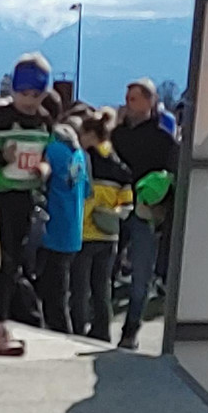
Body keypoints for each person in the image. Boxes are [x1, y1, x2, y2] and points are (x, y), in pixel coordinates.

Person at [0, 53, 54, 343]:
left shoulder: (44, 120)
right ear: (14, 89)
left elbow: (46, 155)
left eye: (36, 95)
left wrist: (44, 170)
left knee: (13, 259)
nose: (29, 100)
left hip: (23, 196)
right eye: (23, 93)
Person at [111, 78, 179, 349]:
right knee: (105, 268)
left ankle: (131, 330)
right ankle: (101, 324)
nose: (128, 104)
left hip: (144, 211)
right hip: (115, 207)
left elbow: (173, 176)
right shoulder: (116, 136)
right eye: (127, 98)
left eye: (134, 99)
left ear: (150, 102)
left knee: (141, 274)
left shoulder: (163, 140)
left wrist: (162, 206)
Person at [71, 109, 132, 342]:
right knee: (102, 287)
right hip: (109, 234)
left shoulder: (84, 160)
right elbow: (127, 205)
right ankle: (103, 330)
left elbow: (76, 187)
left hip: (84, 232)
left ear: (90, 134)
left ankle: (78, 329)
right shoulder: (120, 166)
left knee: (79, 287)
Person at [36, 123, 90, 334]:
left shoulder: (52, 150)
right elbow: (86, 190)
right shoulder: (79, 154)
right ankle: (66, 332)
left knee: (50, 293)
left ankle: (60, 334)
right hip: (73, 229)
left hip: (52, 227)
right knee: (62, 292)